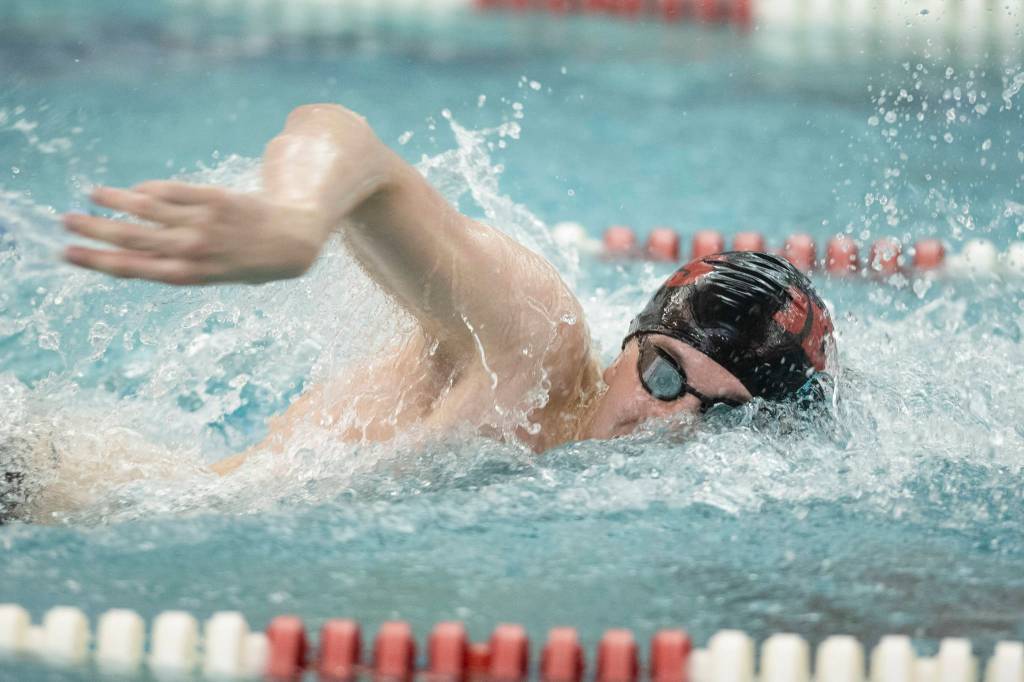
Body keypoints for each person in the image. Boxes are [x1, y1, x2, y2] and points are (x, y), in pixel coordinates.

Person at [58, 103, 836, 479]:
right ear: (629, 343)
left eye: (721, 417)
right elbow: (347, 140)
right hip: (51, 483)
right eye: (664, 374)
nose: (669, 424)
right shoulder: (531, 347)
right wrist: (293, 221)